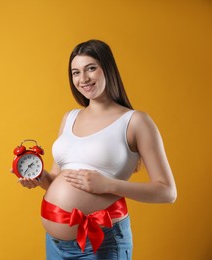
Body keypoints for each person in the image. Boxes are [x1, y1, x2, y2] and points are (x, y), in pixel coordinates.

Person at [17, 39, 177, 259]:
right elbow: (55, 180)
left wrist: (109, 185)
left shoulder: (135, 121)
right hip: (55, 245)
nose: (83, 79)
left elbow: (167, 192)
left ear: (107, 69)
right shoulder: (69, 118)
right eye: (76, 72)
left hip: (102, 243)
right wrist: (38, 177)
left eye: (91, 68)